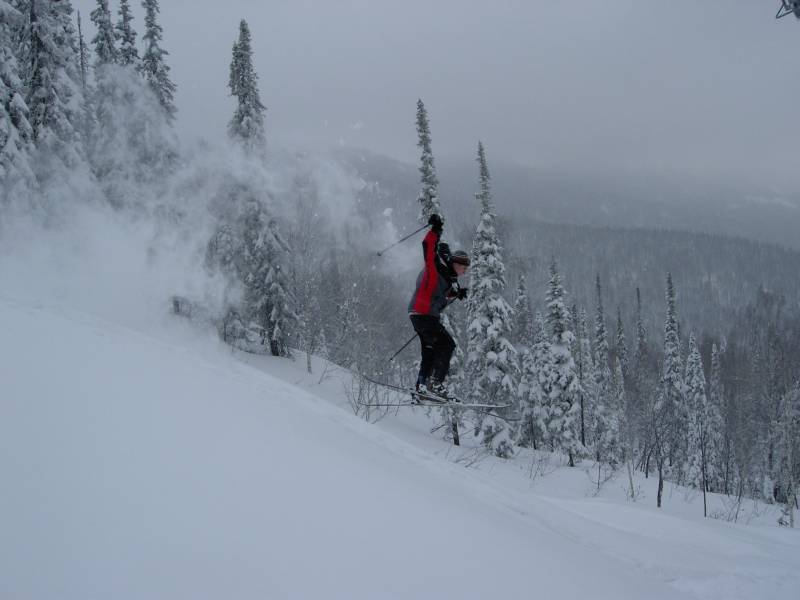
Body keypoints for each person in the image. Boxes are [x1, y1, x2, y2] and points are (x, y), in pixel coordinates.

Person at [407, 213, 470, 399]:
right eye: (463, 267)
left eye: (466, 268)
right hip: (424, 314)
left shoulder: (448, 279)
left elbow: (440, 295)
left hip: (420, 314)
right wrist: (435, 230)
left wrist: (456, 294)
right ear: (455, 263)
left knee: (430, 350)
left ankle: (421, 387)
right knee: (447, 344)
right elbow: (428, 247)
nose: (465, 270)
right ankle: (435, 383)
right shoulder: (435, 268)